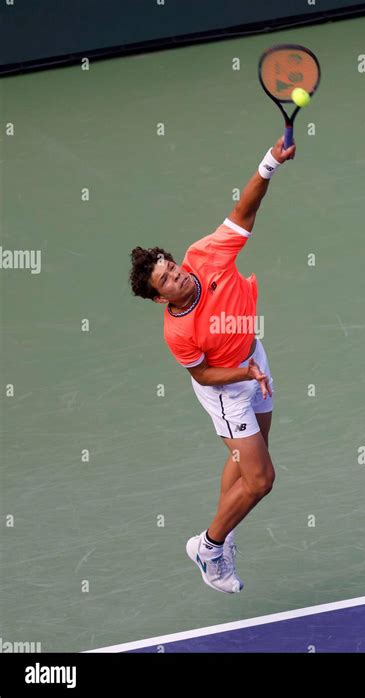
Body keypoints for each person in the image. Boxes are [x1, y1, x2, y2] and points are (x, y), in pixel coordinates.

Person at [129, 135, 296, 593]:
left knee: (248, 459)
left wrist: (269, 163)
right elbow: (202, 375)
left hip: (251, 360)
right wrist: (244, 374)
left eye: (170, 264)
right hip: (228, 390)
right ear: (159, 297)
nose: (176, 272)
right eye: (166, 278)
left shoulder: (205, 254)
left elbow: (245, 211)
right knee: (261, 479)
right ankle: (210, 546)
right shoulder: (178, 332)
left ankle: (226, 529)